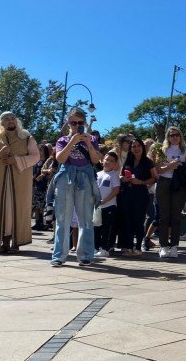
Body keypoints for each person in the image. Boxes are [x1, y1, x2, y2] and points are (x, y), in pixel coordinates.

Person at [0, 112, 40, 253]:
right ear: (2, 123)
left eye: (12, 118)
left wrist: (17, 160)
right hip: (1, 182)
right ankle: (5, 242)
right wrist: (0, 154)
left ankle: (17, 242)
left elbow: (36, 156)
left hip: (20, 182)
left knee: (18, 209)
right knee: (2, 210)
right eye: (6, 119)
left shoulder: (27, 138)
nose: (10, 121)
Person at [51, 107, 101, 267]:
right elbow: (60, 158)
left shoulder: (92, 139)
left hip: (85, 178)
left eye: (80, 123)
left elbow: (95, 160)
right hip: (66, 177)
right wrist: (72, 141)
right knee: (62, 218)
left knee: (85, 218)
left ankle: (86, 254)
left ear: (84, 123)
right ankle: (59, 255)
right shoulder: (62, 140)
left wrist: (87, 142)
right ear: (68, 123)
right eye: (73, 123)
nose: (76, 125)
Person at [155, 126, 186, 259]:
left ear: (180, 136)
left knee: (176, 216)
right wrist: (170, 166)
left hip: (179, 185)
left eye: (177, 135)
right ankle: (163, 246)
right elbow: (158, 170)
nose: (175, 137)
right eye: (171, 135)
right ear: (168, 137)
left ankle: (174, 246)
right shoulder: (162, 149)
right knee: (164, 216)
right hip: (164, 182)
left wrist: (180, 165)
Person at [119, 137, 157, 256]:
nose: (136, 148)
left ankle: (138, 247)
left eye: (138, 146)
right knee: (128, 221)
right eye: (133, 146)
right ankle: (129, 247)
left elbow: (155, 178)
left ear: (143, 147)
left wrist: (140, 182)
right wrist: (123, 178)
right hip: (127, 193)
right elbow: (120, 175)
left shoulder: (148, 161)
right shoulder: (128, 161)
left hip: (141, 194)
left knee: (139, 221)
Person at [95, 152, 120, 258]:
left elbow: (116, 190)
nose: (108, 162)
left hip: (109, 206)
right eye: (106, 159)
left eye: (111, 161)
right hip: (97, 207)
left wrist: (104, 200)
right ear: (102, 160)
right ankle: (96, 247)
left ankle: (105, 248)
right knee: (96, 227)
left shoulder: (114, 175)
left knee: (107, 228)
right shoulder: (98, 174)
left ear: (115, 164)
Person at [32, 144, 53, 231]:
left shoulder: (47, 161)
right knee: (36, 205)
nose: (39, 152)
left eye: (40, 150)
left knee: (42, 206)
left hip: (44, 185)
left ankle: (44, 223)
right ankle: (37, 222)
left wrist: (42, 175)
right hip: (36, 185)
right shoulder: (37, 161)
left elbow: (47, 171)